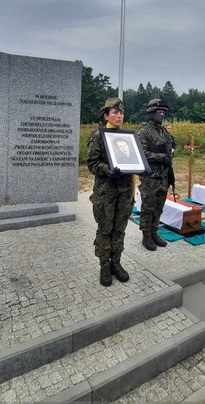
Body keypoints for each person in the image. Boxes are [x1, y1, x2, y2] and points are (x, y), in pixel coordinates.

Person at [86, 98, 134, 286]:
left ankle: (116, 263)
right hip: (105, 192)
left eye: (121, 112)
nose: (119, 115)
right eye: (115, 112)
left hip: (124, 191)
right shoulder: (99, 135)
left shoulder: (128, 136)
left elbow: (133, 159)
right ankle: (104, 265)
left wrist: (141, 168)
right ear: (106, 115)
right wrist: (107, 169)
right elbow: (92, 163)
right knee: (105, 229)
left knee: (119, 229)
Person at [137, 99, 173, 251]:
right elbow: (142, 152)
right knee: (148, 206)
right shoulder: (144, 131)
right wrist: (160, 157)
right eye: (159, 112)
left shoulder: (163, 131)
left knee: (159, 206)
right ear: (151, 113)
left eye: (164, 112)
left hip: (163, 175)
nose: (162, 114)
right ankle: (146, 236)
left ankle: (154, 232)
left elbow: (171, 147)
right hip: (150, 176)